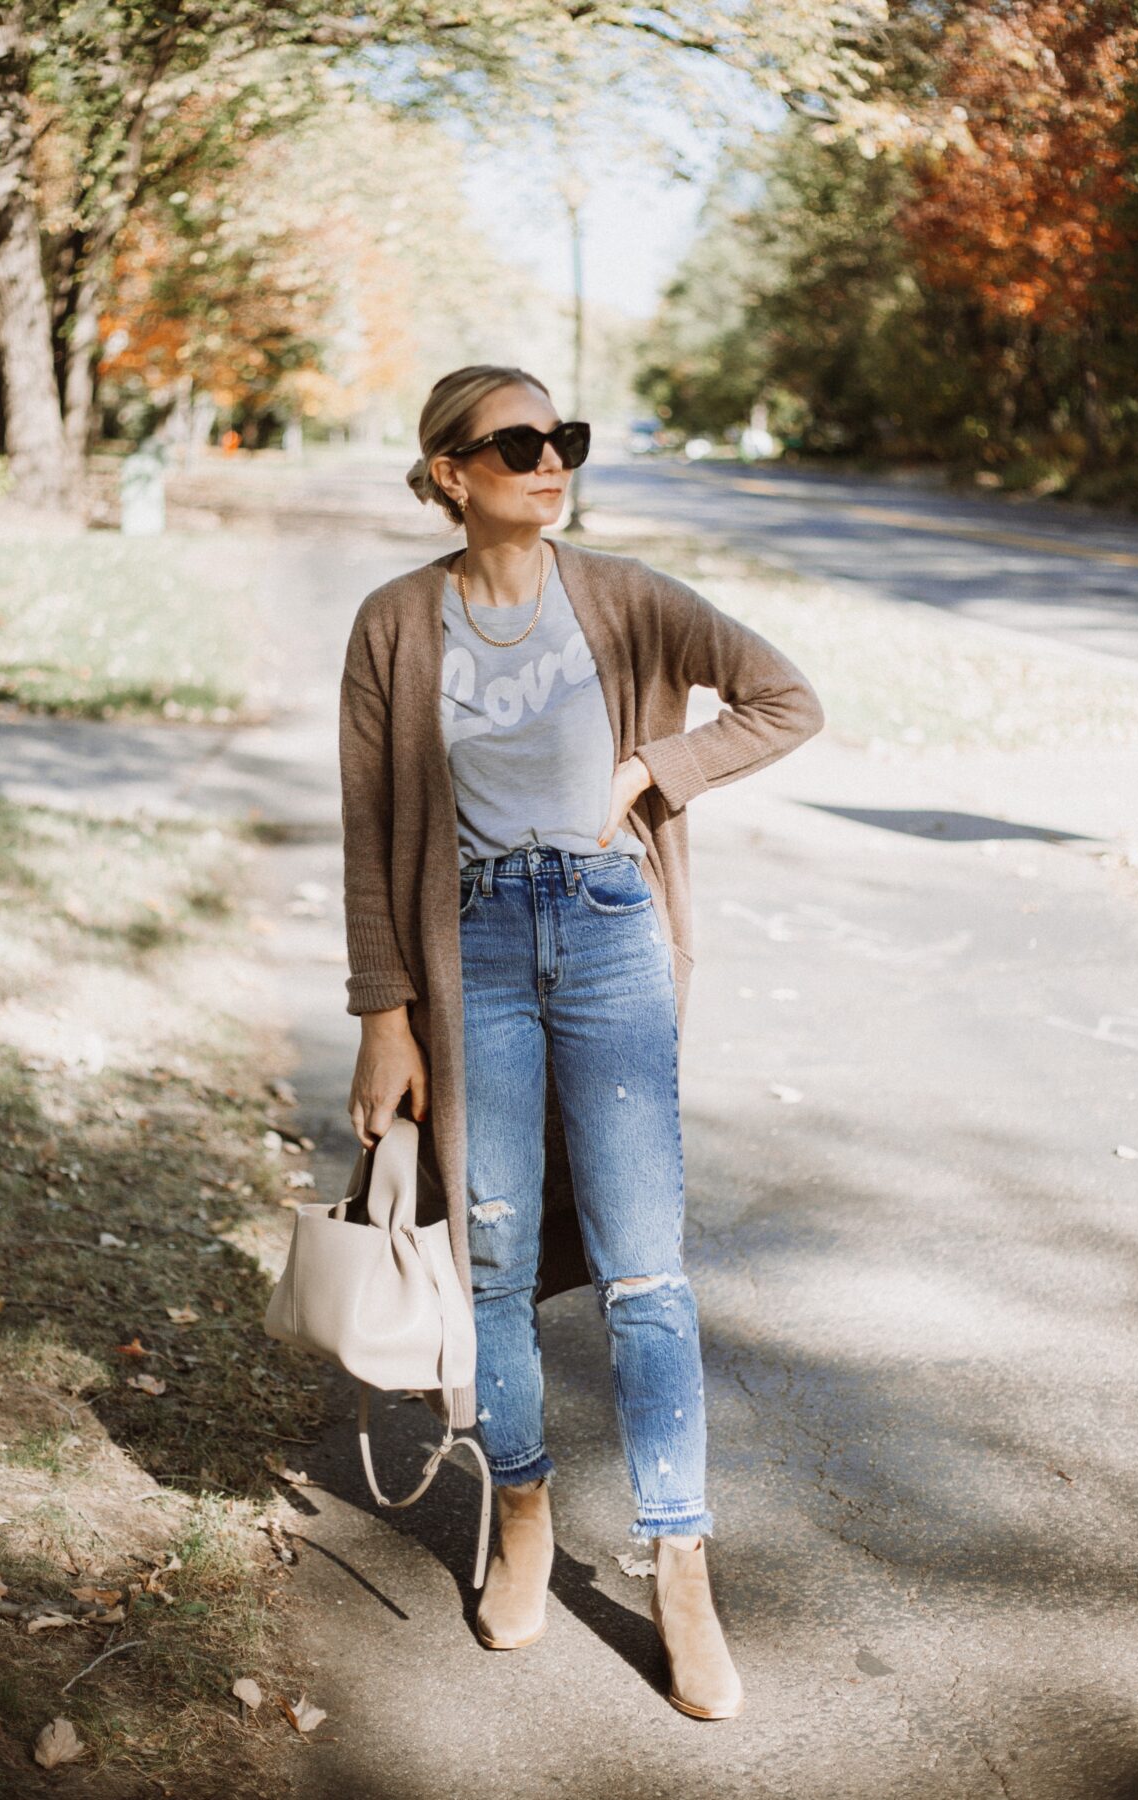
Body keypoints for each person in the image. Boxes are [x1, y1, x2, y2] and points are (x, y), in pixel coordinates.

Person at [340, 364, 824, 1720]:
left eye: (565, 439)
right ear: (449, 471)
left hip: (610, 934)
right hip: (472, 951)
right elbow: (370, 833)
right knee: (490, 1259)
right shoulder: (392, 625)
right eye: (517, 444)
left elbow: (785, 700)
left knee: (646, 1269)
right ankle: (528, 1513)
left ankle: (681, 1567)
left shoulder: (624, 597)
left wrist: (648, 771)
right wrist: (385, 1016)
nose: (551, 461)